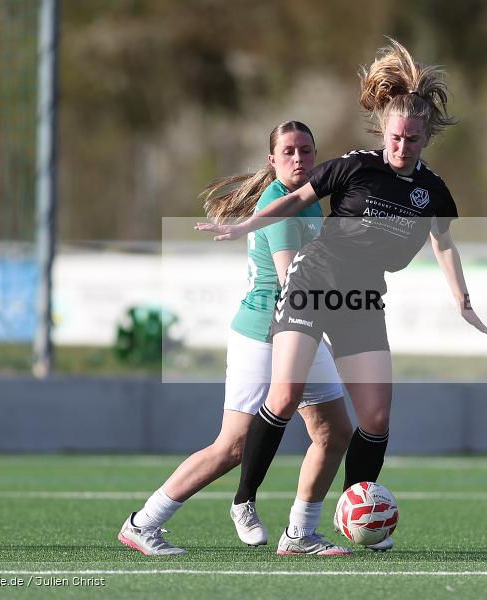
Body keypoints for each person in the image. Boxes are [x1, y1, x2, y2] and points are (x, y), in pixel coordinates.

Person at [196, 38, 487, 553]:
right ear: (384, 130)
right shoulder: (355, 166)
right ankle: (244, 498)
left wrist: (463, 301)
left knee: (375, 417)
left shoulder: (433, 192)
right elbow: (294, 199)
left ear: (426, 139)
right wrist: (246, 225)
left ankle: (338, 515)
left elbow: (442, 242)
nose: (403, 148)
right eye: (397, 137)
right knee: (284, 397)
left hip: (361, 298)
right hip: (314, 283)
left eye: (414, 140)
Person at [119, 121, 353, 556]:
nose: (299, 158)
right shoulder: (280, 203)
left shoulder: (308, 201)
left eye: (306, 150)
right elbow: (292, 280)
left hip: (302, 329)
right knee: (233, 446)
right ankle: (143, 523)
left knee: (335, 431)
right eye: (289, 152)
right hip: (265, 334)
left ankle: (300, 534)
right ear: (272, 160)